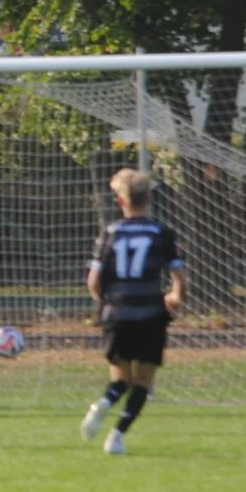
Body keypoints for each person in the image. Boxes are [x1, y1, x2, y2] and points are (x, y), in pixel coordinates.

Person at [80, 169, 187, 455]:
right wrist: (175, 296)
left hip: (117, 313)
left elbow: (93, 282)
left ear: (120, 201)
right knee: (143, 381)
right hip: (151, 314)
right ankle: (116, 437)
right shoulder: (161, 233)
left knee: (120, 380)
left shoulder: (110, 232)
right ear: (150, 198)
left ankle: (103, 404)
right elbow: (179, 278)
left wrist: (106, 303)